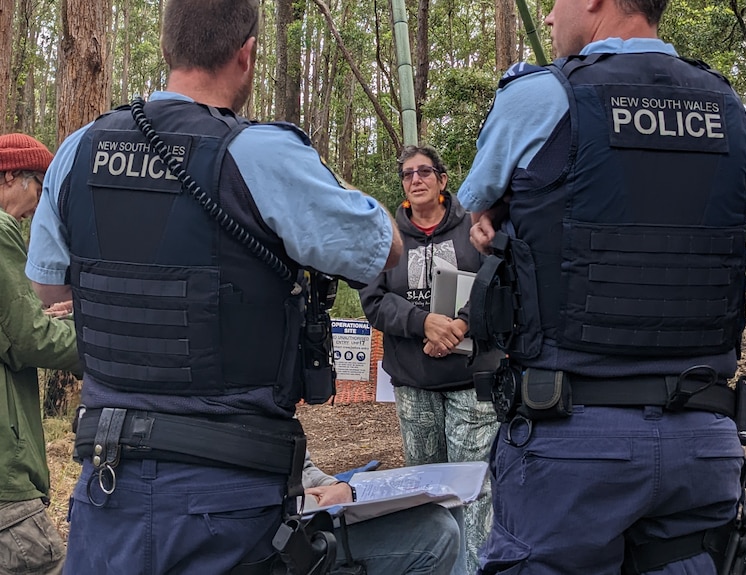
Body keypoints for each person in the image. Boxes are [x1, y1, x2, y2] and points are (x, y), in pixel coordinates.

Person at [24, 1, 402, 573]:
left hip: (107, 491)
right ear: (247, 53)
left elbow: (49, 292)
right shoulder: (262, 153)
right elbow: (385, 251)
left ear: (166, 46)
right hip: (228, 502)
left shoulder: (78, 151)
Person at [457, 0, 746, 572]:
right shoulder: (731, 107)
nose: (546, 17)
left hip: (572, 442)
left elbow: (477, 206)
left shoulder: (541, 96)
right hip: (705, 441)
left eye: (553, 2)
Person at [359, 145, 500, 573]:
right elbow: (373, 300)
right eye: (407, 174)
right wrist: (424, 324)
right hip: (414, 382)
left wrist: (458, 325)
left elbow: (497, 280)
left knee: (475, 492)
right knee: (426, 490)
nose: (415, 179)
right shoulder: (387, 237)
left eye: (424, 172)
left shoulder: (473, 228)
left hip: (471, 384)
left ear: (442, 180)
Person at [0, 133, 80, 575]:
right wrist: (100, 339)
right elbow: (30, 339)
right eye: (39, 187)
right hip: (5, 482)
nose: (37, 207)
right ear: (11, 175)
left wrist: (50, 318)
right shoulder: (0, 232)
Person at [301, 451, 460, 574]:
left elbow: (304, 466)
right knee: (437, 533)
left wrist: (336, 485)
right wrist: (313, 502)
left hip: (320, 514)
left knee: (452, 504)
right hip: (299, 539)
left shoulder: (280, 412)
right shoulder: (277, 412)